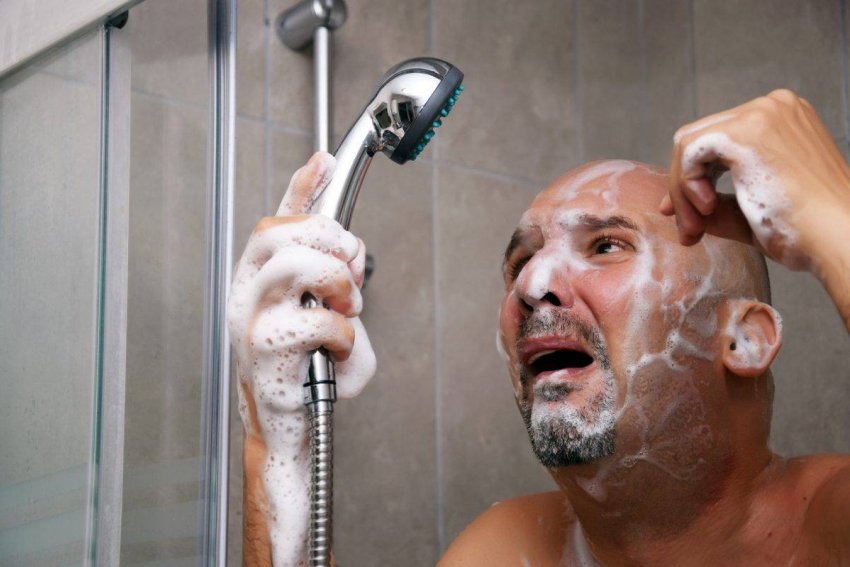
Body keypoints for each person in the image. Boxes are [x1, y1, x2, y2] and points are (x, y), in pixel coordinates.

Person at [229, 89, 850, 566]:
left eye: (607, 246)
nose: (530, 285)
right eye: (520, 261)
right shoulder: (508, 551)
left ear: (744, 340)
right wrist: (275, 447)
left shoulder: (829, 527)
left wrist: (835, 221)